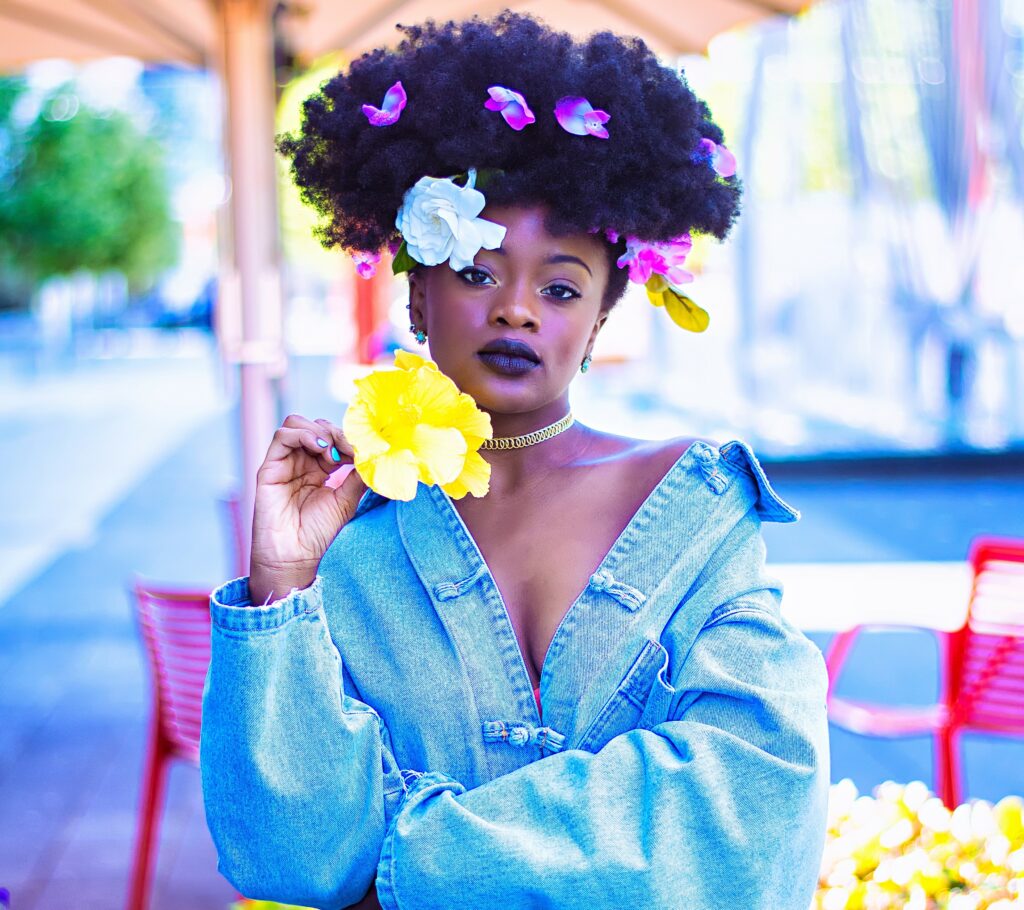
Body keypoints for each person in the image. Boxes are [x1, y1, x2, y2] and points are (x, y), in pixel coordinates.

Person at [200, 12, 830, 910]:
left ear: (601, 317)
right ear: (418, 291)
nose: (518, 310)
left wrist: (399, 856)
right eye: (479, 270)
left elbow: (752, 805)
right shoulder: (346, 532)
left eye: (562, 286)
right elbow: (291, 854)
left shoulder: (691, 506)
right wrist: (281, 584)